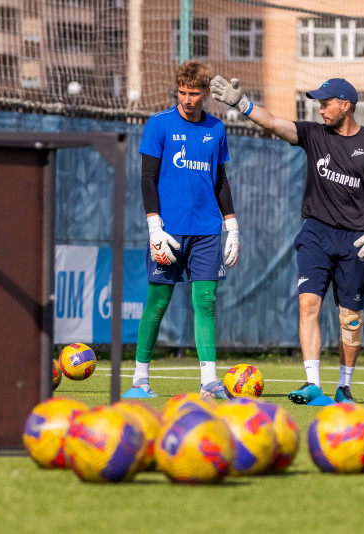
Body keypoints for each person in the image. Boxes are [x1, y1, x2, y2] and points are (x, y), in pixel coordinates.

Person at [210, 76, 364, 404]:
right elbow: (272, 123)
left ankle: (344, 388)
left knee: (350, 318)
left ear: (346, 105)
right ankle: (312, 384)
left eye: (326, 103)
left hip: (355, 240)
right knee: (307, 304)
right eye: (319, 103)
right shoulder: (313, 134)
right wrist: (241, 104)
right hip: (316, 233)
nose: (320, 108)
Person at [122, 60, 240, 400]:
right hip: (168, 231)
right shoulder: (158, 124)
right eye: (182, 93)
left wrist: (232, 226)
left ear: (205, 93)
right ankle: (140, 380)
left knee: (206, 301)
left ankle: (209, 382)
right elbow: (148, 178)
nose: (187, 99)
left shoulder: (216, 128)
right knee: (157, 302)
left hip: (206, 231)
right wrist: (154, 226)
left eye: (193, 93)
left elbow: (220, 181)